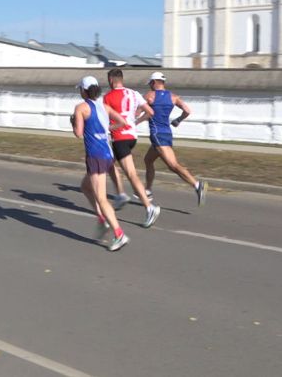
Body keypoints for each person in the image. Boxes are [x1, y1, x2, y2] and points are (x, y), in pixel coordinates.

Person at [71, 75, 130, 251]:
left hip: (95, 156)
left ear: (83, 90)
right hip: (107, 154)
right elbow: (122, 122)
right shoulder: (104, 106)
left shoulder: (81, 107)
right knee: (85, 187)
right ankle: (101, 219)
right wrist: (106, 130)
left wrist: (73, 122)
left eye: (80, 89)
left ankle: (119, 234)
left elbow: (78, 133)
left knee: (102, 198)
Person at [102, 68, 161, 228]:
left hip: (119, 137)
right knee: (108, 162)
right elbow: (150, 111)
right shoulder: (133, 93)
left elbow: (104, 118)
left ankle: (149, 208)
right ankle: (120, 194)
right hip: (132, 136)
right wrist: (136, 121)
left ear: (111, 80)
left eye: (108, 79)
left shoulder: (107, 97)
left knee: (132, 174)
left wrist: (110, 127)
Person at [143, 72, 206, 206]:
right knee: (148, 160)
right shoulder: (173, 97)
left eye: (150, 83)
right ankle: (147, 190)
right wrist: (178, 120)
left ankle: (197, 185)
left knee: (173, 165)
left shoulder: (150, 96)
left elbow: (138, 111)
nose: (149, 86)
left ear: (154, 82)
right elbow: (187, 111)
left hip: (157, 135)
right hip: (167, 133)